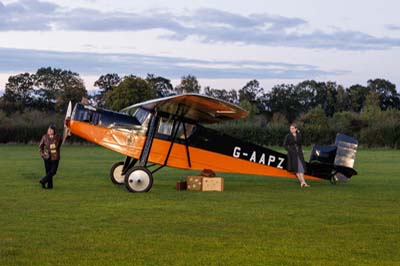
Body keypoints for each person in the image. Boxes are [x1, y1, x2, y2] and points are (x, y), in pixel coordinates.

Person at [283, 123, 310, 188]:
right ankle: (303, 183)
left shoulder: (299, 135)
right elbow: (284, 145)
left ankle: (303, 183)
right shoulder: (288, 136)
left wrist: (301, 150)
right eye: (290, 128)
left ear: (296, 129)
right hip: (292, 154)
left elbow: (300, 143)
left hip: (299, 153)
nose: (291, 130)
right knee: (296, 169)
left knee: (301, 168)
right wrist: (290, 150)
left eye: (292, 128)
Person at [39, 124, 62, 189]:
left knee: (53, 172)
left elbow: (65, 137)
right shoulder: (44, 137)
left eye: (51, 130)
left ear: (54, 131)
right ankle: (49, 186)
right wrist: (42, 154)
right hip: (47, 157)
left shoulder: (58, 137)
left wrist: (68, 132)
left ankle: (43, 181)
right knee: (48, 172)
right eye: (48, 130)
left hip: (55, 157)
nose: (49, 131)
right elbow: (41, 146)